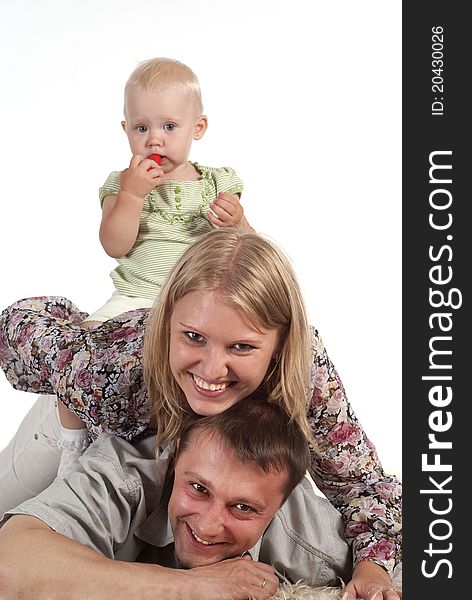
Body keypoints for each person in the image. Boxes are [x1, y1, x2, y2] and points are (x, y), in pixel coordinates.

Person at [0, 229, 402, 599]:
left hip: (202, 455)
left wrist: (373, 567)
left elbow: (360, 484)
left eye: (241, 347)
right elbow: (19, 330)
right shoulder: (104, 371)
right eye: (194, 337)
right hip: (76, 418)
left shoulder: (304, 374)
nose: (211, 371)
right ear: (168, 321)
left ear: (279, 345)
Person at [27, 56, 253, 475]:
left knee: (190, 377)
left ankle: (184, 454)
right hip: (133, 297)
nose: (154, 140)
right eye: (141, 128)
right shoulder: (122, 183)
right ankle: (72, 444)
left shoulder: (218, 183)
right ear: (125, 130)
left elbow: (249, 255)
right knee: (77, 354)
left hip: (197, 306)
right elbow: (114, 244)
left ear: (197, 129)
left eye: (169, 127)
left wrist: (238, 223)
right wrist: (131, 198)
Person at [0, 398, 358, 599]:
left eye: (242, 508)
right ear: (174, 464)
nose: (207, 525)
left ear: (279, 507)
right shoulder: (126, 475)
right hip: (63, 416)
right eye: (198, 489)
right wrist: (192, 587)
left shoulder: (307, 534)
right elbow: (8, 565)